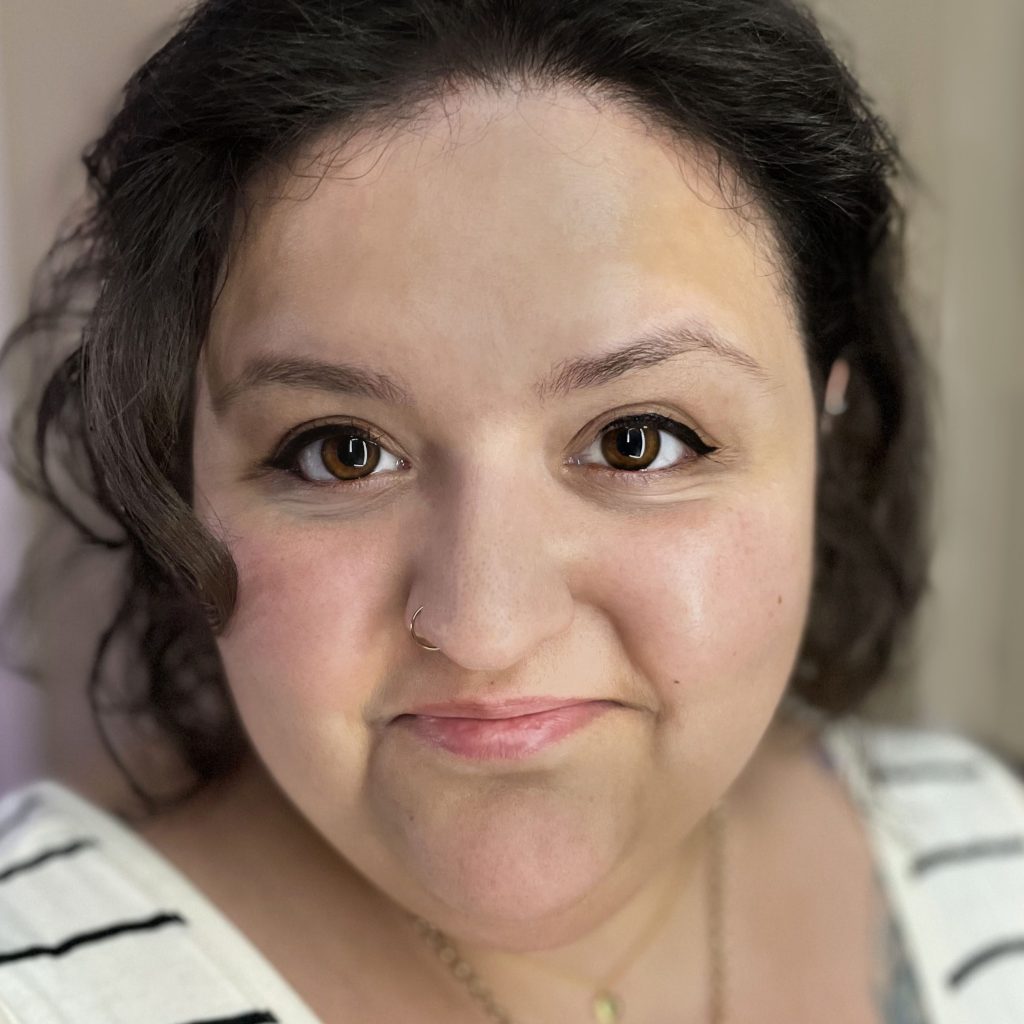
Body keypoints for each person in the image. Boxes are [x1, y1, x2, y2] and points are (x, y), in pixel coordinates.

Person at [0, 1, 1022, 1022]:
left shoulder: (984, 859)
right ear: (181, 480)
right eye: (340, 453)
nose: (483, 628)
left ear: (825, 429)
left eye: (639, 440)